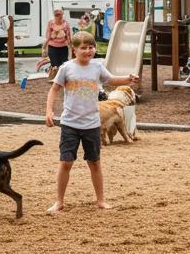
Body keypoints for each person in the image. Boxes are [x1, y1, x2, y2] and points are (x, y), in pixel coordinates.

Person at [45, 30, 140, 213]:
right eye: (84, 48)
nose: (88, 51)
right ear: (74, 50)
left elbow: (111, 79)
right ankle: (59, 201)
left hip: (91, 124)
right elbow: (54, 89)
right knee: (66, 162)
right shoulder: (66, 68)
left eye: (91, 47)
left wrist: (127, 79)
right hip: (70, 123)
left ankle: (101, 200)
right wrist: (49, 110)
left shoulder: (97, 67)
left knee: (95, 162)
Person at [45, 8, 72, 80]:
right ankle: (54, 80)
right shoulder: (51, 23)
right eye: (56, 15)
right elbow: (47, 35)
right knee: (54, 65)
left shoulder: (66, 23)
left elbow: (68, 35)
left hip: (63, 47)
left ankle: (63, 80)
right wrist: (44, 47)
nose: (58, 16)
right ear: (54, 15)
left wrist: (70, 45)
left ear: (62, 15)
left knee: (63, 65)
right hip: (52, 47)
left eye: (59, 15)